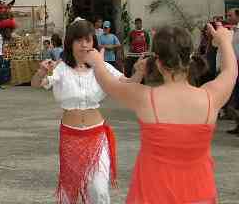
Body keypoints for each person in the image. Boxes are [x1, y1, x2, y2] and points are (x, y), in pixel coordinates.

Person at [87, 24, 237, 204]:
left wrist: (96, 61)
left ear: (157, 62)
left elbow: (108, 82)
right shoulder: (210, 97)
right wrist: (225, 41)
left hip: (151, 195)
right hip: (200, 194)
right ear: (190, 58)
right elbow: (230, 72)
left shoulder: (145, 98)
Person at [31, 19, 145, 204]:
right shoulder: (61, 68)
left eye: (88, 40)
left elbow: (128, 84)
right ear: (70, 43)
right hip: (70, 137)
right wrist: (41, 72)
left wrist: (139, 72)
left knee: (99, 191)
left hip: (97, 137)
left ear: (94, 43)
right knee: (70, 194)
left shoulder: (102, 68)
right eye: (78, 40)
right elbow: (36, 84)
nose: (84, 45)